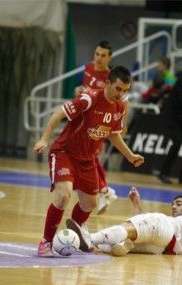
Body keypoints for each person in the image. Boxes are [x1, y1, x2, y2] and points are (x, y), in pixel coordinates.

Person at [33, 66, 145, 257]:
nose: (121, 94)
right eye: (118, 89)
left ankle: (76, 230)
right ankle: (46, 242)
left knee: (90, 204)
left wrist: (130, 155)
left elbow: (114, 135)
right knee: (63, 196)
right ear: (108, 84)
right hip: (64, 153)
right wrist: (44, 138)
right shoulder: (89, 99)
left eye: (125, 90)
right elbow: (58, 113)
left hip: (87, 160)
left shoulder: (120, 107)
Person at [70, 187, 182, 256]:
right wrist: (136, 204)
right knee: (129, 235)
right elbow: (140, 224)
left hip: (165, 232)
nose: (174, 206)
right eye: (173, 204)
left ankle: (90, 238)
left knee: (132, 228)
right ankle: (118, 247)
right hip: (160, 249)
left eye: (179, 203)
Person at [74, 41, 120, 214]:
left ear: (110, 57)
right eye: (97, 54)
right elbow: (79, 89)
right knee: (90, 157)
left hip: (100, 122)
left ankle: (104, 190)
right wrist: (78, 90)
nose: (99, 58)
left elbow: (121, 102)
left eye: (103, 55)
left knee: (90, 156)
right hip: (83, 120)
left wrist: (119, 126)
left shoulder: (111, 76)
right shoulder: (86, 68)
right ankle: (105, 191)